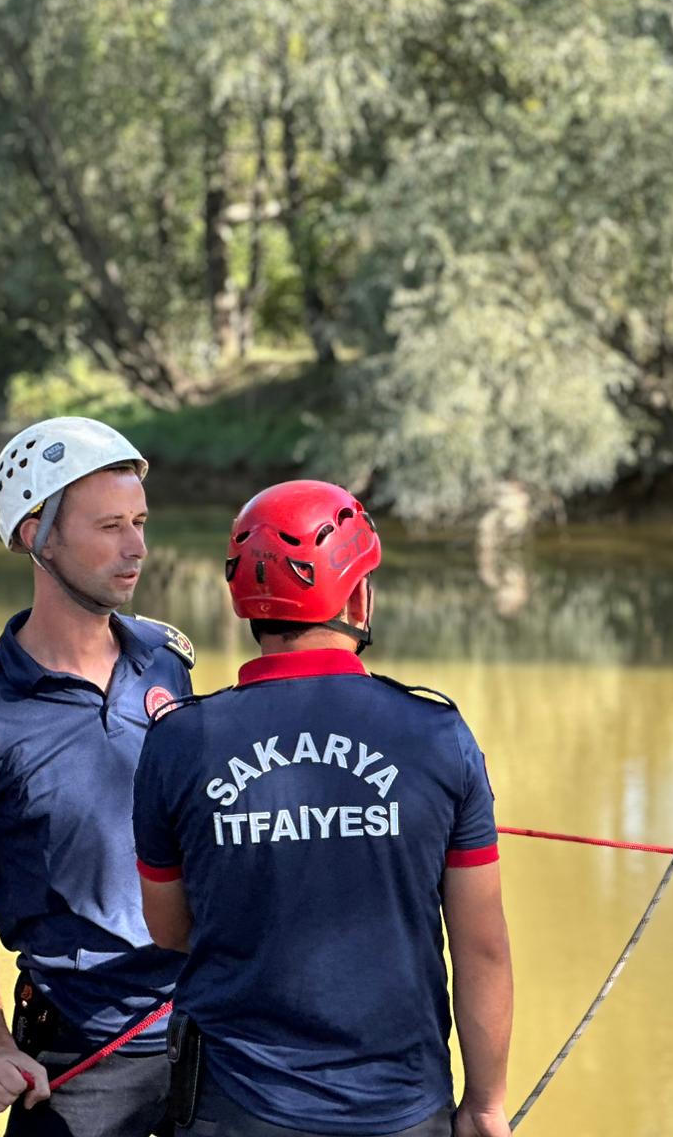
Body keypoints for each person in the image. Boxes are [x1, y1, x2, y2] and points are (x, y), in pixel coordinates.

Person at [132, 480, 513, 1137]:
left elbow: (170, 930)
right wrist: (484, 1105)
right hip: (401, 1111)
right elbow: (481, 950)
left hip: (232, 1111)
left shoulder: (179, 742)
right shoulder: (435, 736)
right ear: (357, 595)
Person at [0, 416, 195, 1135]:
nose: (135, 546)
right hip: (76, 1057)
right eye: (109, 526)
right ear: (33, 535)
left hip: (207, 1028)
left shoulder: (168, 661)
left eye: (139, 521)